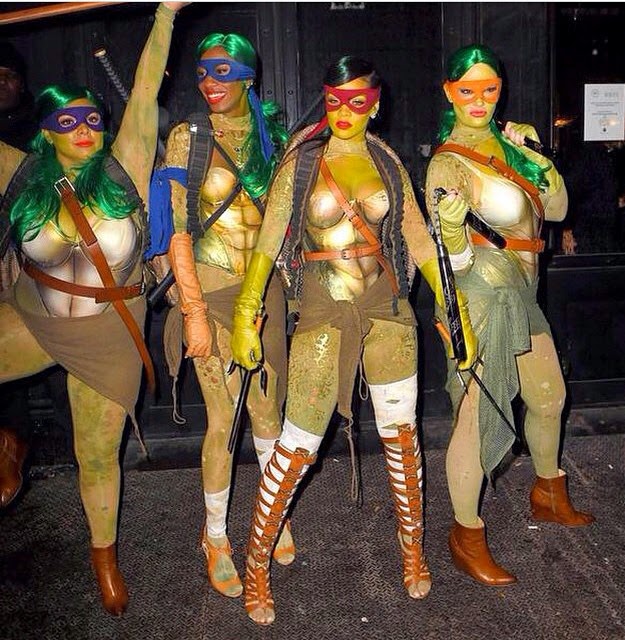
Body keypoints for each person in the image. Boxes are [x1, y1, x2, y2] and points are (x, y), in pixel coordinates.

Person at [230, 55, 476, 625]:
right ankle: (256, 561)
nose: (344, 112)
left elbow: (416, 236)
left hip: (387, 306)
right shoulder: (302, 163)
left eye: (358, 101)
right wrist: (245, 312)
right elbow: (268, 242)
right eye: (335, 100)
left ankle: (411, 549)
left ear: (376, 104)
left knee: (402, 436)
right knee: (299, 442)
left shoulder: (386, 160)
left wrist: (453, 304)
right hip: (324, 310)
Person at [0, 2, 185, 614]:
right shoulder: (22, 174)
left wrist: (167, 12)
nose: (82, 128)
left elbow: (146, 89)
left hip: (108, 332)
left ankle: (103, 557)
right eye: (66, 120)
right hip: (34, 319)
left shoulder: (124, 167)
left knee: (98, 454)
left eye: (91, 119)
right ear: (46, 130)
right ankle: (7, 440)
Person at [424, 43, 594, 587]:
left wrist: (537, 158)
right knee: (480, 413)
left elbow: (558, 209)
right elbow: (450, 261)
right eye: (467, 90)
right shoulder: (447, 162)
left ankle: (548, 494)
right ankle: (465, 534)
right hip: (481, 295)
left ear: (501, 90)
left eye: (489, 89)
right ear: (450, 93)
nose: (479, 100)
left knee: (548, 397)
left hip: (522, 291)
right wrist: (453, 229)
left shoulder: (511, 142)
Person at [160, 32, 292, 599]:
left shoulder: (271, 138)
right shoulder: (187, 138)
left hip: (263, 293)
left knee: (267, 412)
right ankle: (215, 536)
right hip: (210, 293)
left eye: (222, 71)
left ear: (248, 78)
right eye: (202, 72)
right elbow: (176, 232)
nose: (209, 83)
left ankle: (269, 514)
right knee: (224, 417)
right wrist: (191, 311)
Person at [0, 42, 38, 508]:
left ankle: (16, 440)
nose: (2, 83)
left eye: (9, 75)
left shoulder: (37, 128)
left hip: (28, 255)